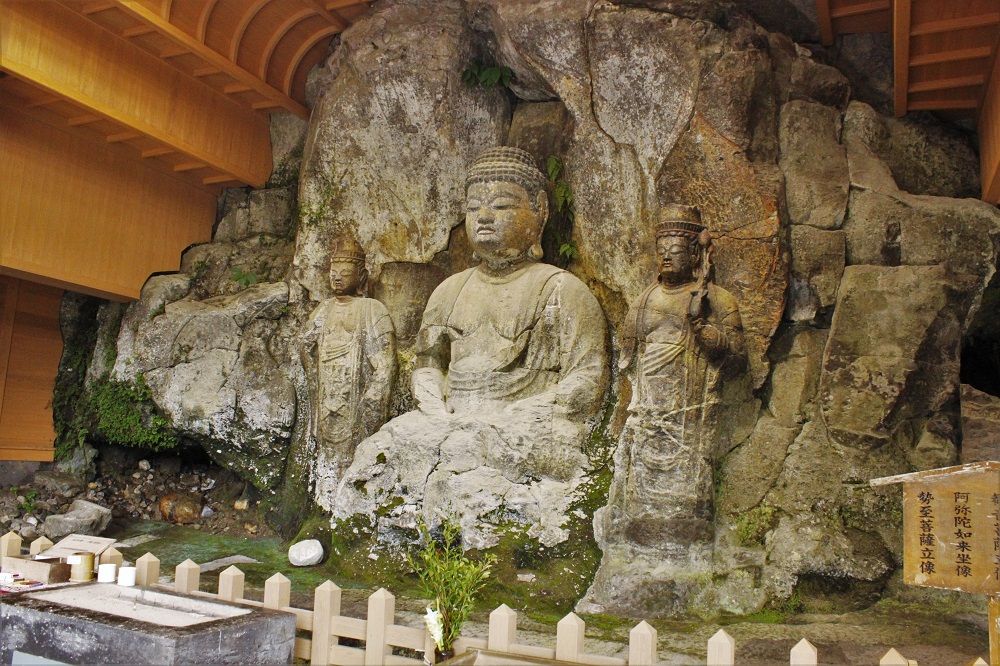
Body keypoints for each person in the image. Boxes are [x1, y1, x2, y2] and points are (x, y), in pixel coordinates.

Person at [331, 147, 608, 547]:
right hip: (450, 417)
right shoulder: (449, 291)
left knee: (476, 449)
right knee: (382, 447)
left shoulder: (562, 290)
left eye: (501, 205)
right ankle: (372, 538)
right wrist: (433, 402)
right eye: (474, 206)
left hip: (525, 425)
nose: (484, 216)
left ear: (540, 212)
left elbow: (587, 378)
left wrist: (521, 414)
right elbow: (428, 363)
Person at [583, 204, 748, 614]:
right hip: (649, 410)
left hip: (691, 413)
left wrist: (706, 333)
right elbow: (629, 357)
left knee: (686, 491)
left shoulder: (717, 300)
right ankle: (634, 560)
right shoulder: (644, 301)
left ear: (695, 253)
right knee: (639, 491)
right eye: (661, 251)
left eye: (675, 250)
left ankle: (685, 566)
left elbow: (737, 360)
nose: (666, 257)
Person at [300, 235, 396, 511]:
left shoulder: (372, 309)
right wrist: (316, 377)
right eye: (333, 271)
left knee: (354, 452)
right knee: (327, 454)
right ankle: (324, 505)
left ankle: (352, 505)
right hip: (328, 392)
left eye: (345, 272)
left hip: (356, 398)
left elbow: (385, 362)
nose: (337, 277)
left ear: (361, 276)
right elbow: (305, 344)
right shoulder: (324, 309)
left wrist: (374, 396)